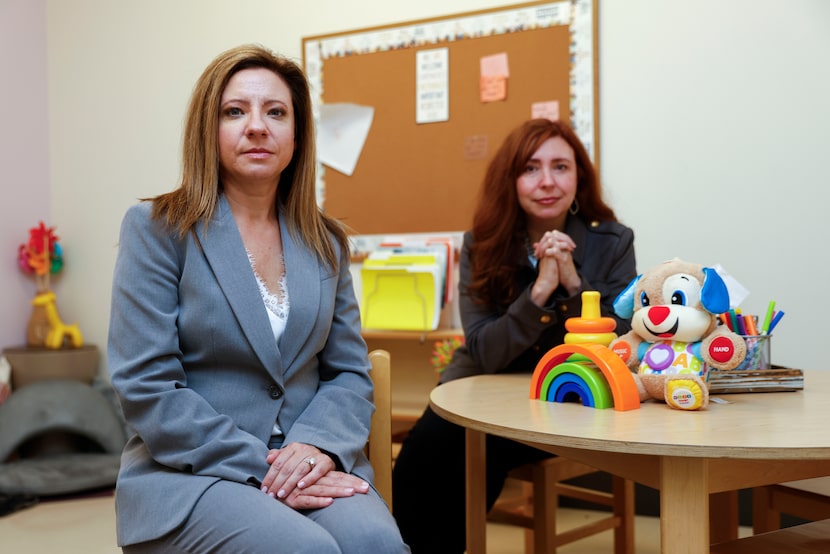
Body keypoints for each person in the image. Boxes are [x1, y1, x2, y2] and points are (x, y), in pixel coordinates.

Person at [107, 44, 409, 553]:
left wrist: (316, 448)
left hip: (310, 456)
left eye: (276, 112)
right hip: (190, 472)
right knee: (305, 550)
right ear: (210, 127)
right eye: (234, 111)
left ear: (297, 133)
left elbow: (349, 373)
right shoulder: (157, 229)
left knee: (375, 544)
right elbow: (146, 386)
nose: (256, 126)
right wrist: (269, 467)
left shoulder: (325, 241)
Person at [391, 118, 637, 553]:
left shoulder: (613, 242)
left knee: (479, 456)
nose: (547, 181)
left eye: (560, 166)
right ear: (511, 180)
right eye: (530, 168)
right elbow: (483, 350)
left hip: (563, 400)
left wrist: (574, 283)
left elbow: (621, 343)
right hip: (481, 388)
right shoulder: (482, 244)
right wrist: (540, 289)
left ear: (579, 177)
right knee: (426, 452)